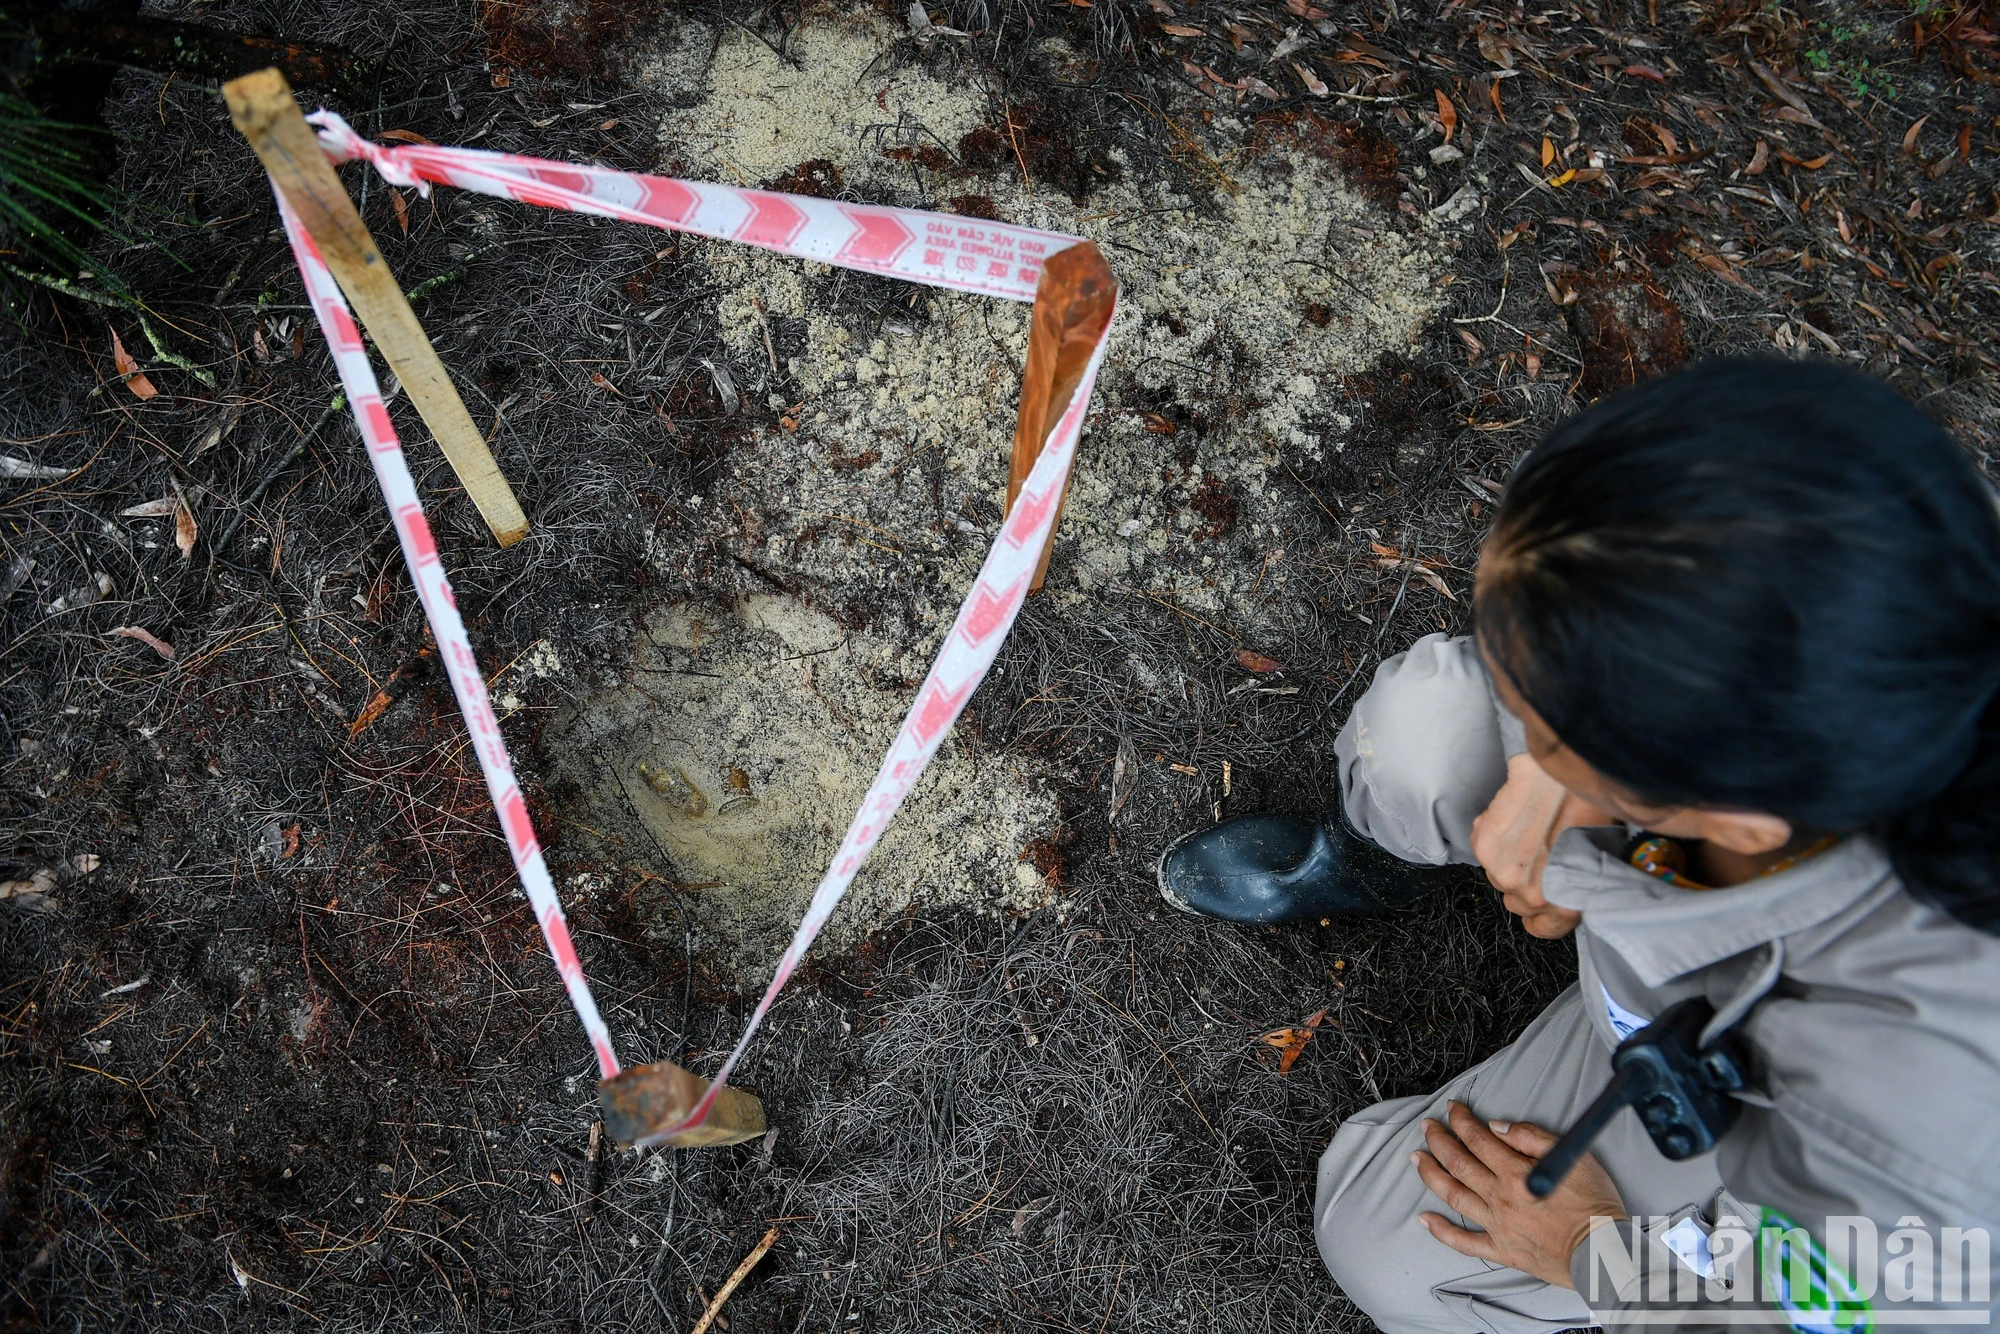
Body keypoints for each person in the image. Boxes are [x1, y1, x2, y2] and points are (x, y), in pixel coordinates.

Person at [1158, 359, 2000, 1333]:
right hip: (1706, 896)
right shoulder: (1899, 554)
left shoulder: (1912, 1127)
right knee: (1423, 734)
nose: (1513, 726)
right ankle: (1374, 861)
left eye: (1542, 719)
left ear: (1733, 824)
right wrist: (1559, 775)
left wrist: (1595, 1247)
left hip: (1766, 1108)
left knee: (1391, 1254)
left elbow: (1821, 1312)